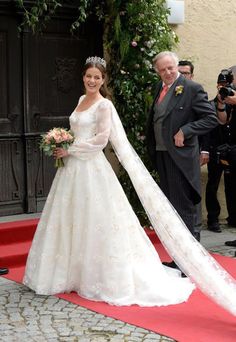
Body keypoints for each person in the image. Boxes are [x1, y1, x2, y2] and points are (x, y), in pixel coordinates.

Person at [23, 56, 236, 316]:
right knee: (72, 218)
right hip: (71, 171)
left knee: (99, 218)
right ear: (83, 77)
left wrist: (69, 149)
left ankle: (170, 260)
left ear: (103, 80)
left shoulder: (104, 106)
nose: (92, 80)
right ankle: (70, 272)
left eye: (97, 77)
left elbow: (102, 140)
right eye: (88, 76)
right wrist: (64, 143)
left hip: (91, 167)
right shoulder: (80, 101)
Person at [146, 51, 218, 268]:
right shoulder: (159, 87)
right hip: (161, 155)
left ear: (176, 67)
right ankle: (179, 259)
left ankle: (192, 263)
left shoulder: (192, 89)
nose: (167, 72)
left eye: (170, 68)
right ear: (157, 71)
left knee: (183, 208)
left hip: (181, 158)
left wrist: (186, 130)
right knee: (171, 210)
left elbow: (210, 118)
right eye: (162, 69)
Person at [178, 60, 209, 240]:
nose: (182, 76)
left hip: (192, 151)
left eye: (186, 73)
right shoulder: (171, 92)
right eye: (179, 72)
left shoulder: (195, 90)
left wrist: (205, 150)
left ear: (192, 75)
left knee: (193, 190)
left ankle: (195, 229)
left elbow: (206, 122)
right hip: (174, 153)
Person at [205, 69, 236, 234]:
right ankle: (213, 219)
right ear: (217, 85)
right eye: (222, 85)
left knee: (232, 186)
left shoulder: (234, 103)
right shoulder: (210, 104)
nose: (224, 88)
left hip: (232, 151)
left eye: (227, 85)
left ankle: (233, 218)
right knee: (213, 185)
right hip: (215, 150)